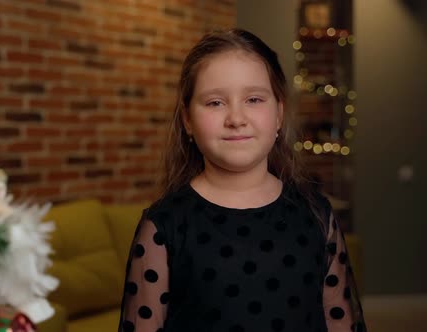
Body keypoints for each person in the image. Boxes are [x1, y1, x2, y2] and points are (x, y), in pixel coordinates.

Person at [118, 29, 366, 332]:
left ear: (278, 114)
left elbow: (340, 321)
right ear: (187, 120)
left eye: (253, 99)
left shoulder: (317, 215)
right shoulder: (164, 225)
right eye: (215, 103)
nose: (236, 118)